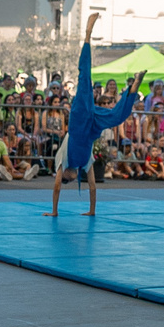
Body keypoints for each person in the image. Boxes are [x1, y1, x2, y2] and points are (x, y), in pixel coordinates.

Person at [47, 13, 146, 217]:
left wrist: (54, 212)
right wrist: (92, 211)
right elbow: (92, 186)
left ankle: (87, 35)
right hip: (91, 129)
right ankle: (134, 86)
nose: (73, 177)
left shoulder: (62, 162)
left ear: (65, 175)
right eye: (73, 179)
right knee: (117, 117)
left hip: (79, 123)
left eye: (69, 178)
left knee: (85, 80)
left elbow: (57, 187)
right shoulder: (85, 164)